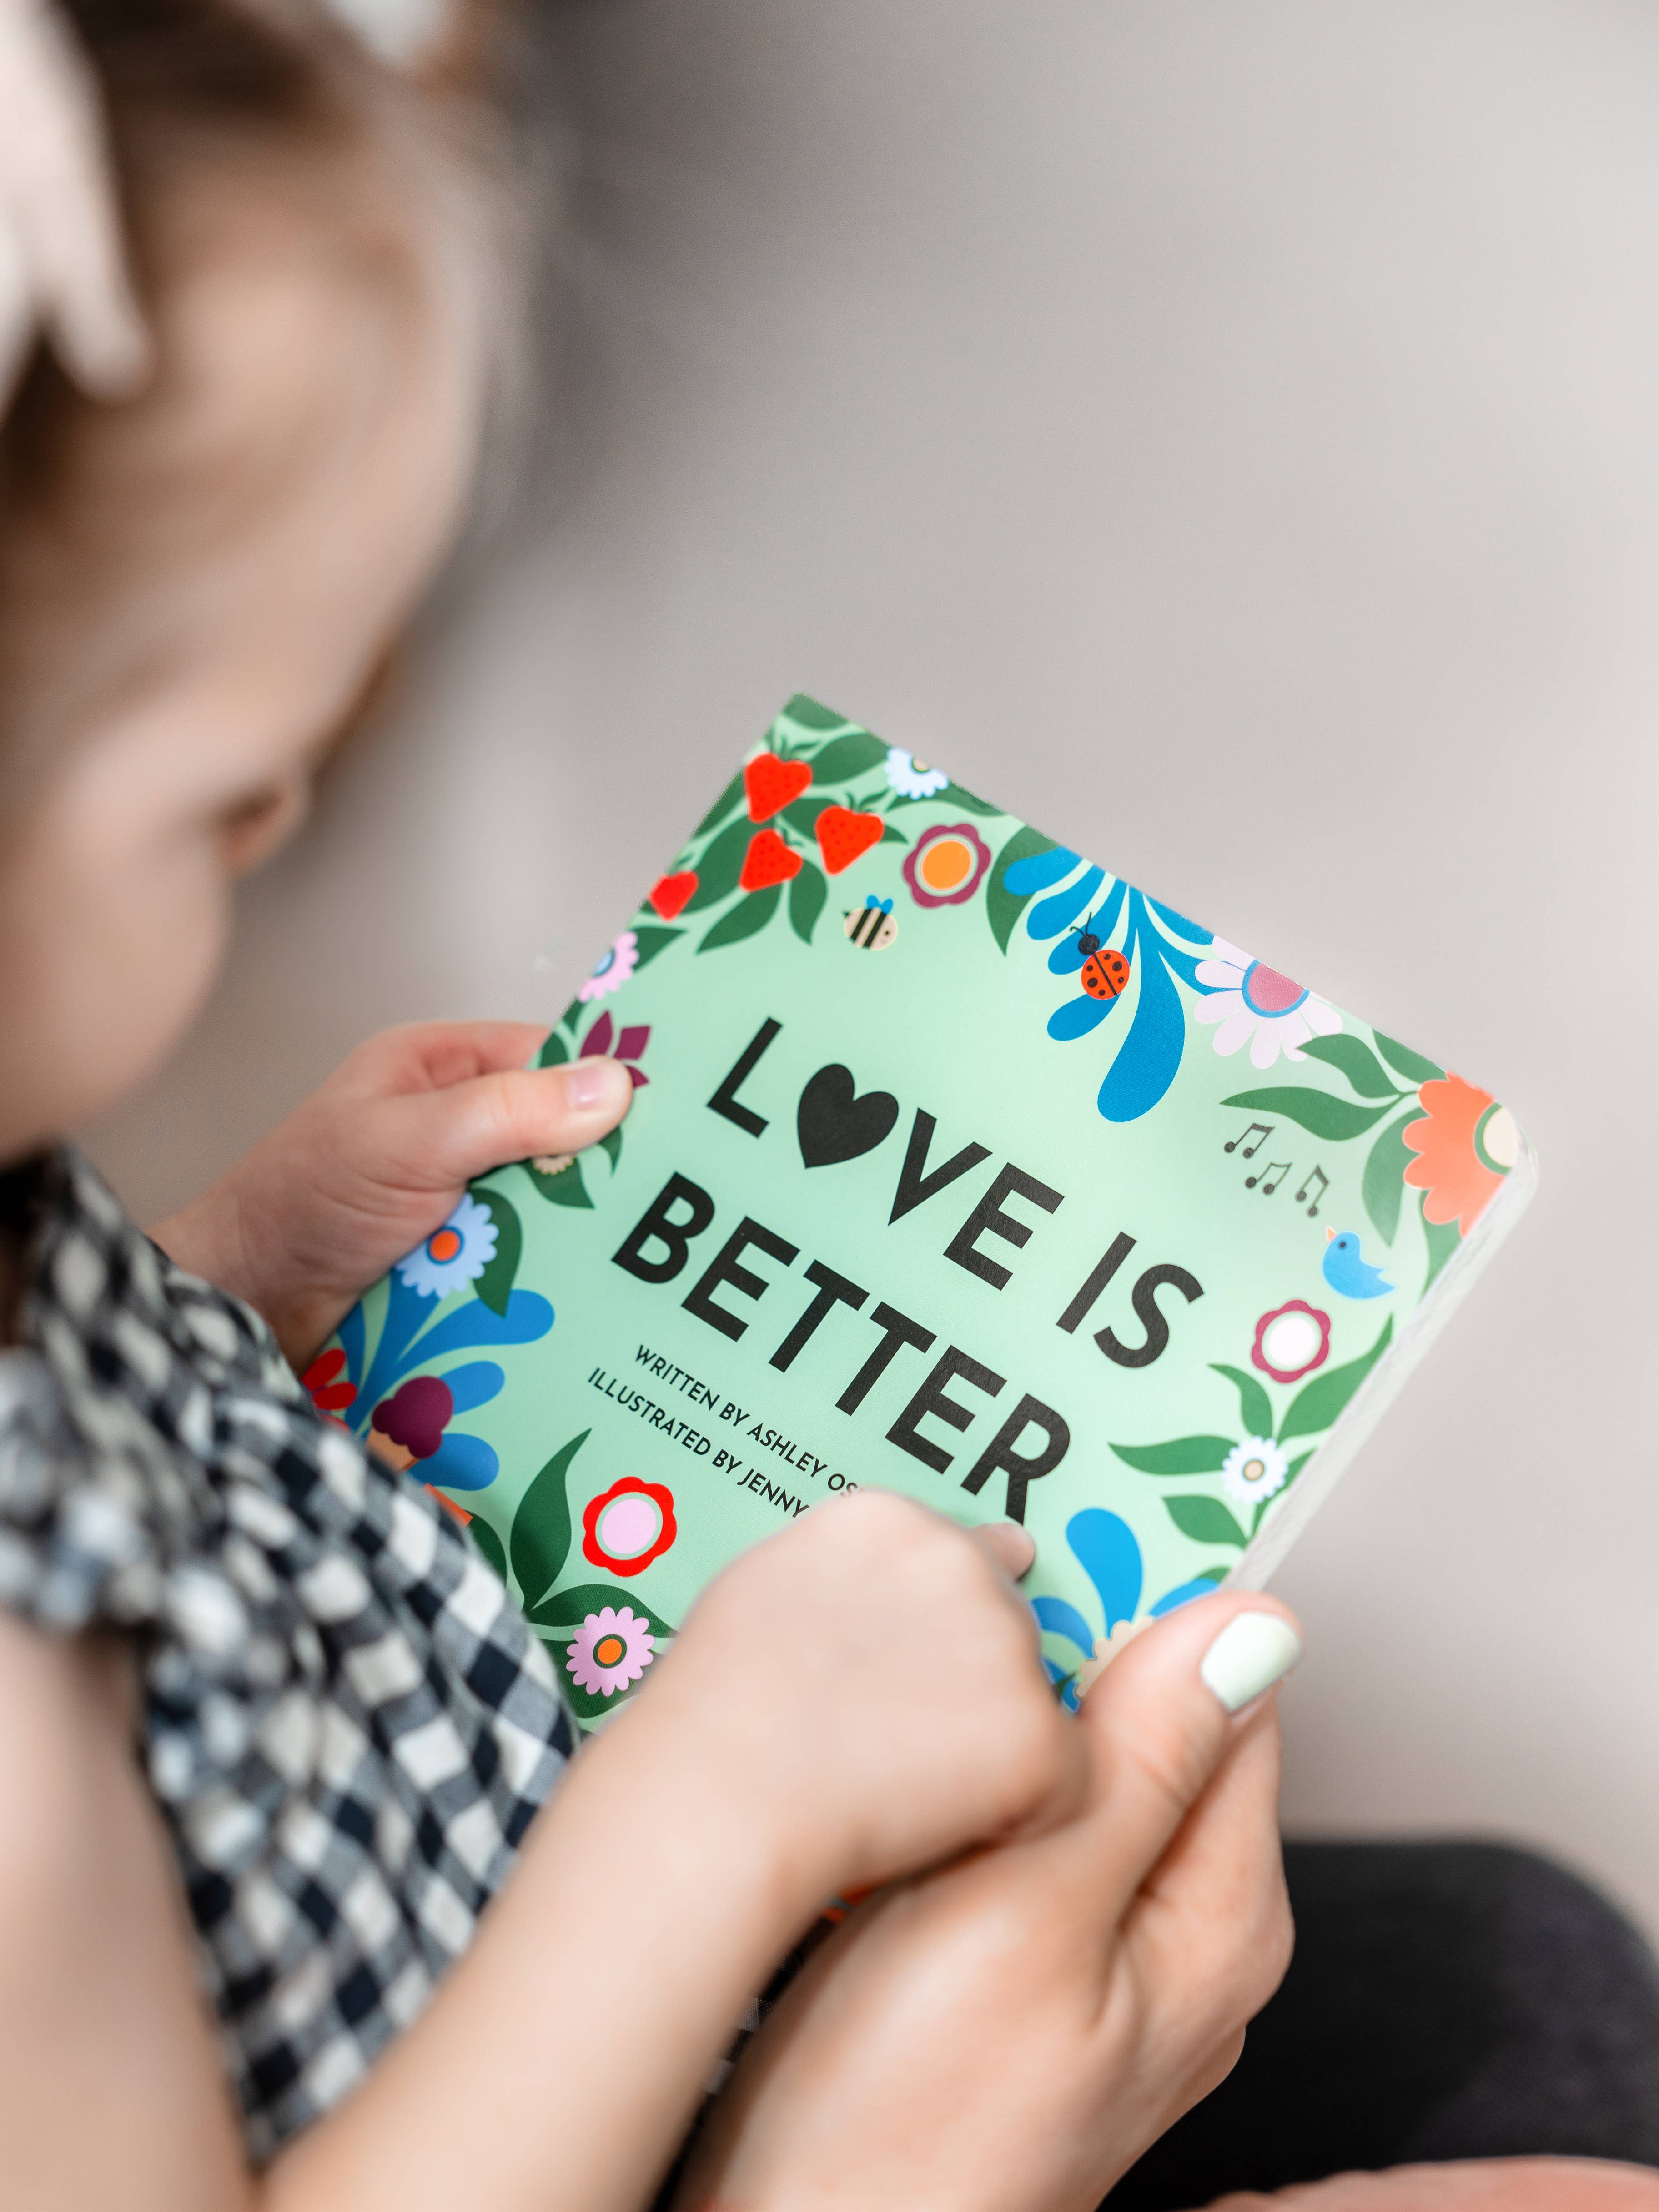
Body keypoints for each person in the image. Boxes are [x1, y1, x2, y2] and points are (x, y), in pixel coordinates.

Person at [0, 6, 1654, 2210]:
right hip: (567, 2075)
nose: (290, 817)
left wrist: (222, 1275)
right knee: (1542, 2046)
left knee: (1530, 1964)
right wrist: (725, 1799)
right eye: (223, 797)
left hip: (479, 1819)